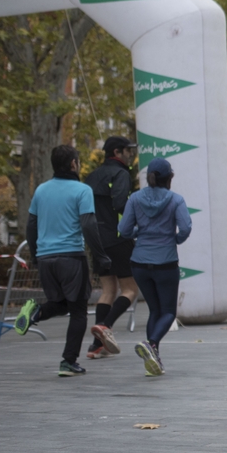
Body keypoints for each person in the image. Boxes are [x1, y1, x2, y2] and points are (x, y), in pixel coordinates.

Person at [13, 145, 111, 376]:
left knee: (60, 304)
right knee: (78, 310)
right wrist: (101, 256)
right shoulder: (82, 190)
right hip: (71, 258)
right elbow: (88, 224)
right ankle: (68, 361)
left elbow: (31, 225)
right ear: (73, 164)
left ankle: (34, 313)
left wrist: (36, 254)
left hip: (46, 259)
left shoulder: (41, 191)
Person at [117, 158, 192, 376]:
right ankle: (151, 344)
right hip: (166, 263)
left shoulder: (135, 199)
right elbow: (186, 227)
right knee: (168, 311)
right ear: (169, 178)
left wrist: (137, 234)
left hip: (139, 263)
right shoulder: (176, 200)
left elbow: (123, 229)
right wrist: (175, 239)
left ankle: (153, 358)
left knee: (154, 310)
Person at [84, 136, 139, 358]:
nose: (131, 154)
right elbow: (120, 204)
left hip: (96, 239)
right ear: (117, 152)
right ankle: (105, 326)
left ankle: (97, 345)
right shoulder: (121, 174)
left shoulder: (91, 176)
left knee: (108, 290)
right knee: (131, 289)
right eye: (128, 151)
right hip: (118, 237)